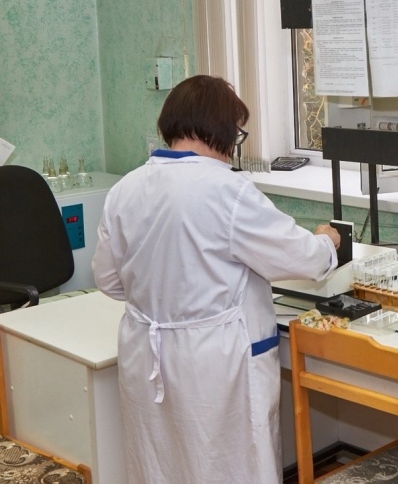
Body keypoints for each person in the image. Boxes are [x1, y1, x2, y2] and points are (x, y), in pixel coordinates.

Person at [92, 74, 341, 483]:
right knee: (226, 466)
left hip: (146, 352)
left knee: (161, 463)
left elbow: (108, 279)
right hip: (214, 363)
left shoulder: (125, 188)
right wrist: (327, 241)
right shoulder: (227, 190)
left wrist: (163, 301)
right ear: (223, 129)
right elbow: (302, 258)